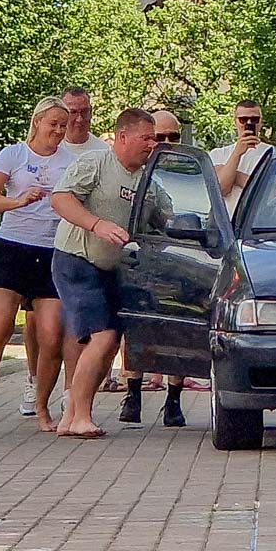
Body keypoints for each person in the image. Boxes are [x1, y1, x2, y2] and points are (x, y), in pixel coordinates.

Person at [48, 108, 160, 439]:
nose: (152, 144)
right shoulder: (96, 163)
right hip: (76, 260)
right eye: (146, 137)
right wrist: (96, 224)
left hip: (114, 269)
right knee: (102, 337)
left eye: (154, 138)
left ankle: (71, 417)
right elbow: (61, 199)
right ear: (122, 137)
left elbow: (164, 219)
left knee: (110, 344)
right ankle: (81, 415)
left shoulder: (148, 181)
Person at [0, 97, 76, 437]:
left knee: (51, 334)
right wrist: (17, 201)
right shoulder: (14, 154)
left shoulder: (70, 161)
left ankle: (42, 407)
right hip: (13, 248)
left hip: (50, 253)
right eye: (53, 123)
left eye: (64, 124)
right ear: (37, 123)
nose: (58, 130)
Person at [119, 110, 188, 429]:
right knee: (136, 327)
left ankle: (173, 400)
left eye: (172, 137)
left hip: (179, 255)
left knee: (179, 326)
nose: (164, 144)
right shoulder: (132, 169)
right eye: (158, 137)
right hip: (136, 258)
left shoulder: (190, 169)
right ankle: (133, 395)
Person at [213, 99, 270, 215]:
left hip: (260, 221)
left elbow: (272, 190)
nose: (248, 123)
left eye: (254, 119)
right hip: (228, 223)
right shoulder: (218, 154)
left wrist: (235, 175)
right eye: (243, 120)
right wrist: (237, 153)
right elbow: (221, 189)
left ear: (261, 122)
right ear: (235, 122)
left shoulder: (271, 153)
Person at [60, 87, 105, 157]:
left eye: (84, 112)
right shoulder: (50, 149)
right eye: (73, 112)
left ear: (91, 113)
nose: (79, 119)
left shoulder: (104, 152)